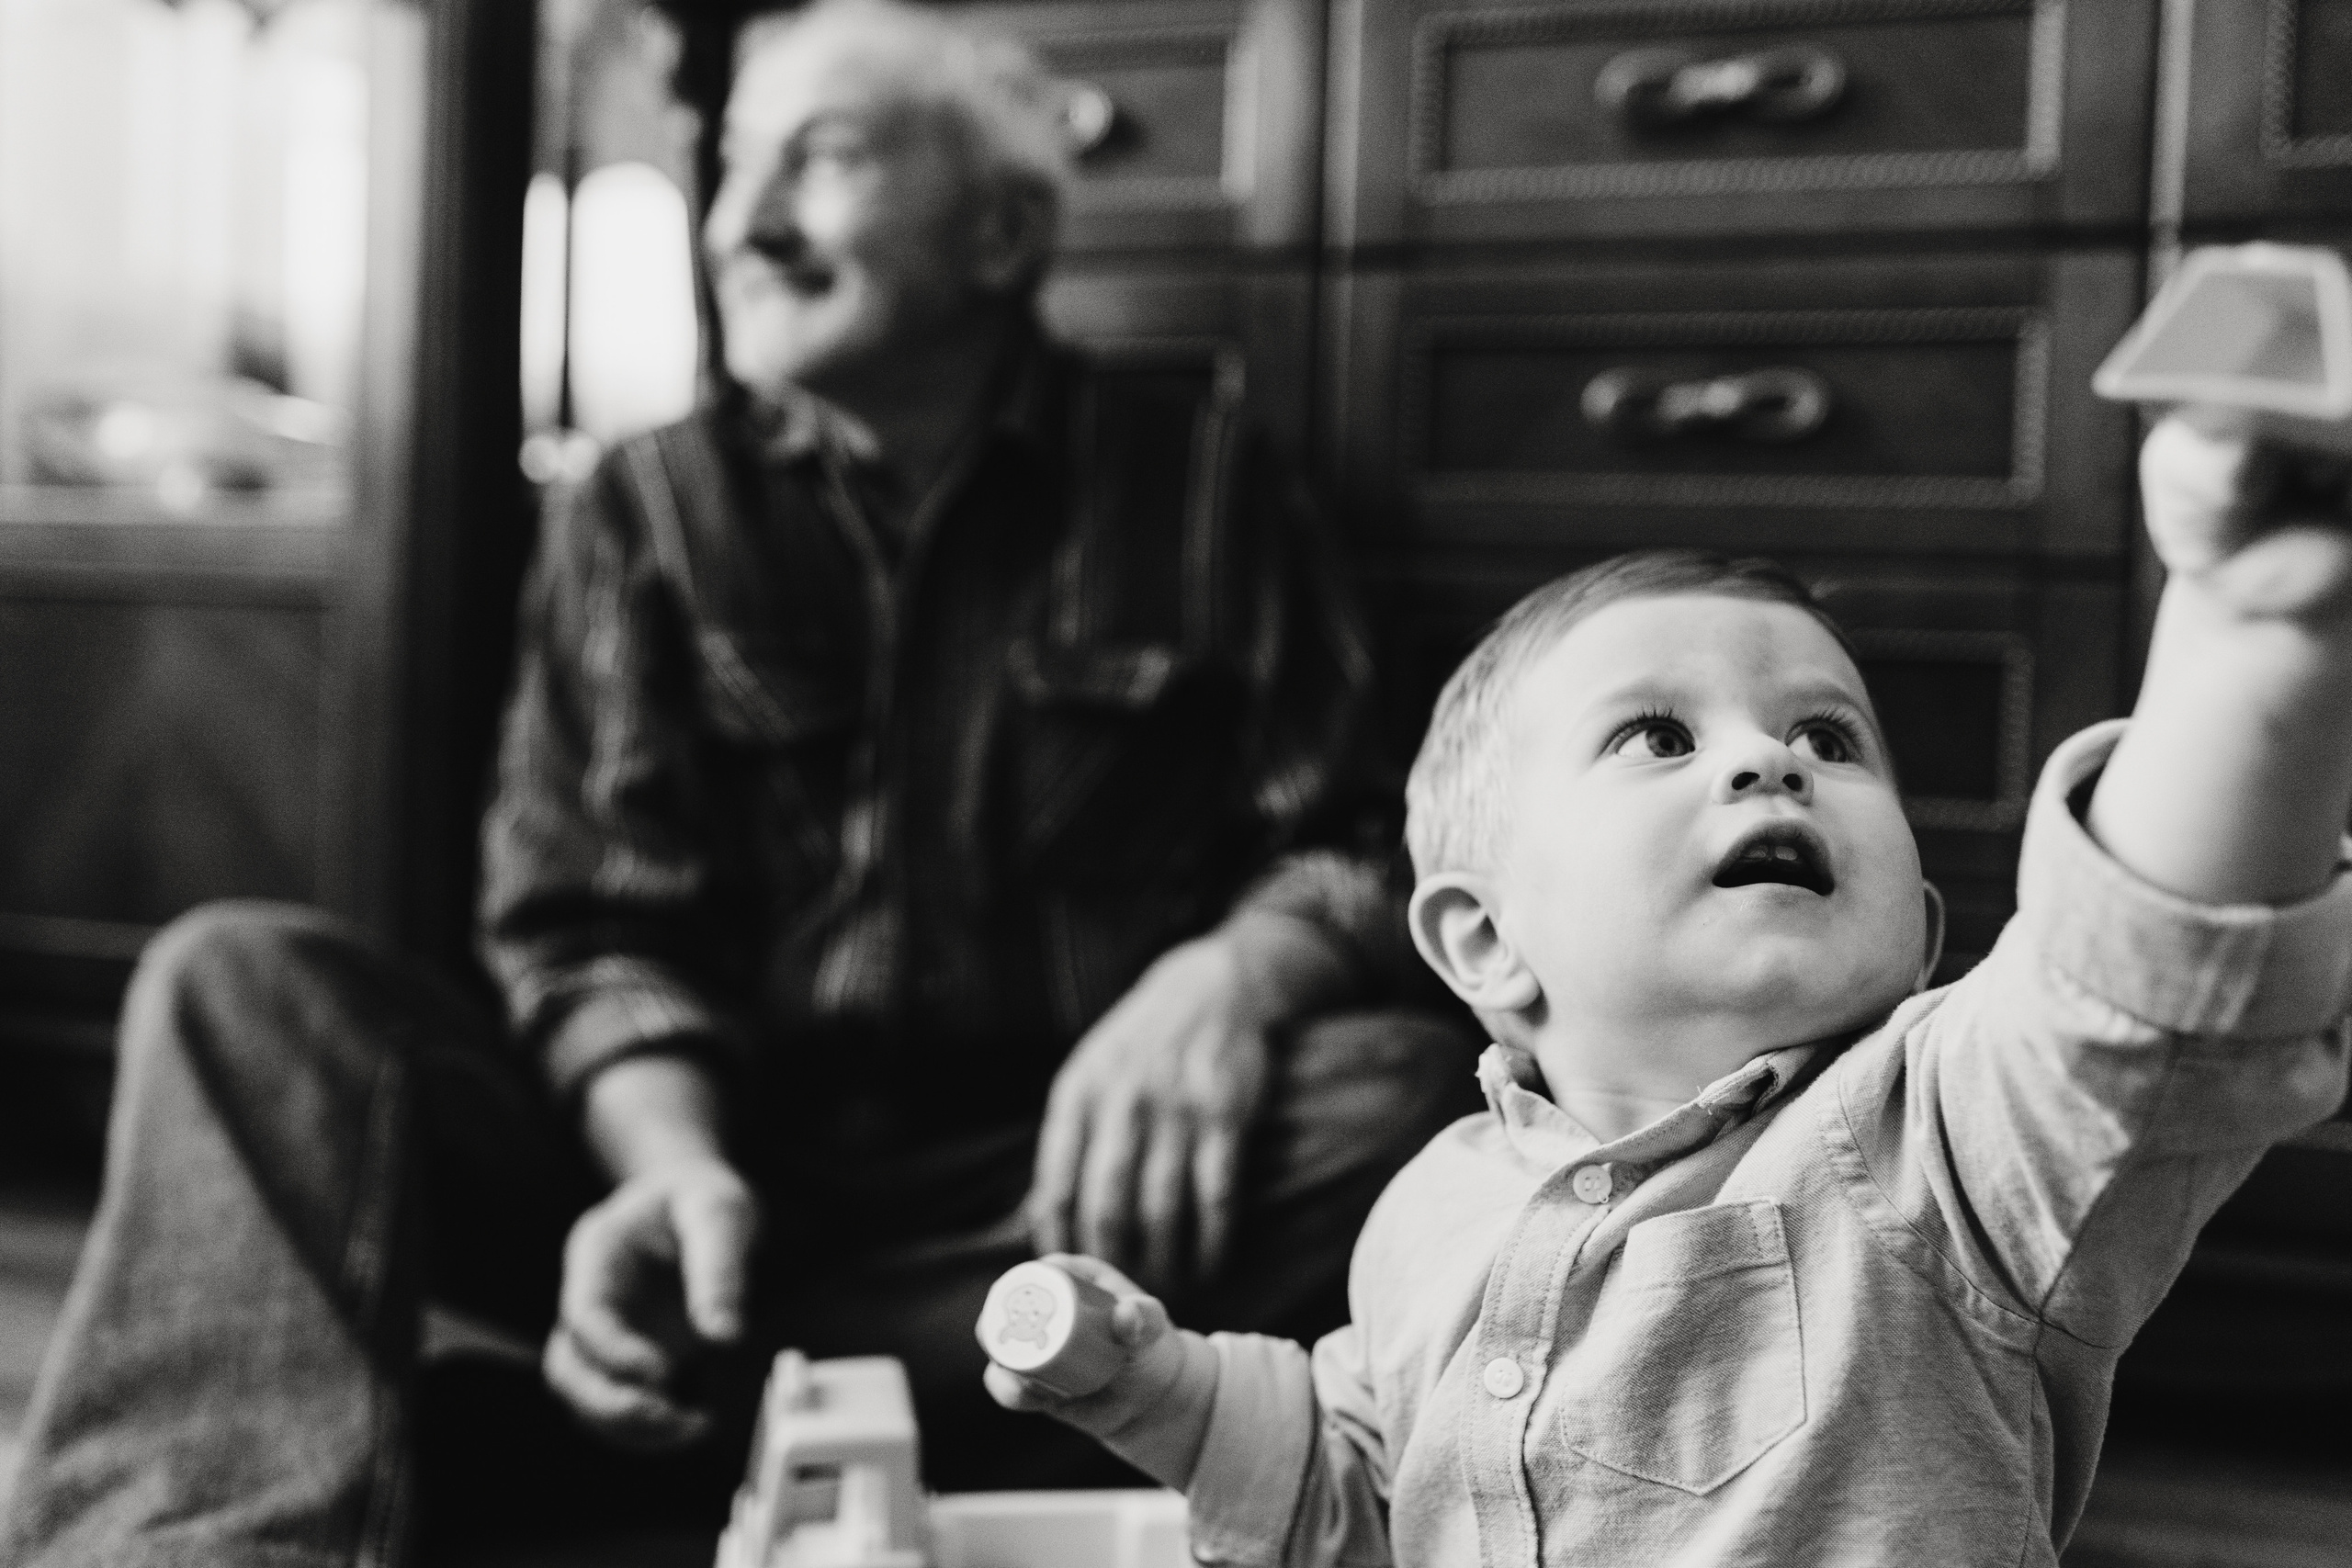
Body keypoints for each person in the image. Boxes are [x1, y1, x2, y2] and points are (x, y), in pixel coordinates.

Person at [0, 2, 1474, 1560]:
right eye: (734, 167)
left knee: (1402, 1088)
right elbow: (584, 926)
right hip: (702, 1188)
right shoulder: (641, 507)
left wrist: (1227, 980)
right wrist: (673, 1175)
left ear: (1000, 231)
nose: (739, 223)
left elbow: (1363, 839)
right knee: (237, 988)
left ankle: (688, 1442)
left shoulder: (1203, 482)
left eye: (817, 161)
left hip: (1056, 1209)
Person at [985, 417, 2352, 1565]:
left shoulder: (1942, 1140)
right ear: (1484, 941)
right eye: (1658, 735)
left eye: (1830, 737)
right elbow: (1369, 1488)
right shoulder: (1431, 1212)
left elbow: (2136, 985)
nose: (1771, 760)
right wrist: (1161, 1392)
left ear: (1925, 939)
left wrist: (2250, 635)